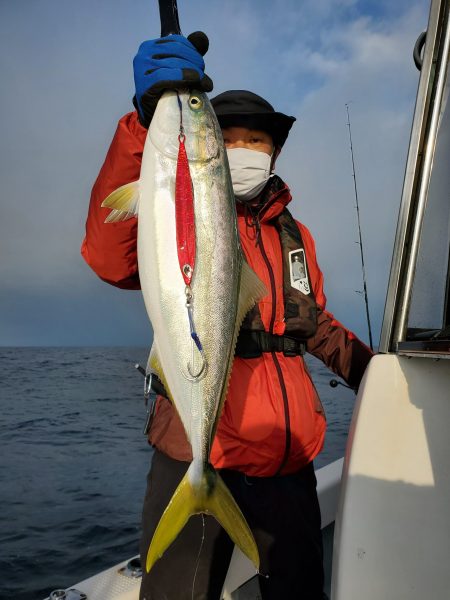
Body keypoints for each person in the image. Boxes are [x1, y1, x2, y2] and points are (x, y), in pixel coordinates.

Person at [82, 32, 373, 600]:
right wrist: (145, 126)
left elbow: (314, 323)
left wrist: (375, 374)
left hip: (285, 453)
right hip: (193, 446)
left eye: (256, 140)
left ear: (272, 153)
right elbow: (106, 255)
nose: (241, 148)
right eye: (229, 136)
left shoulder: (296, 236)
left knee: (299, 589)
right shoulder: (174, 210)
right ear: (205, 142)